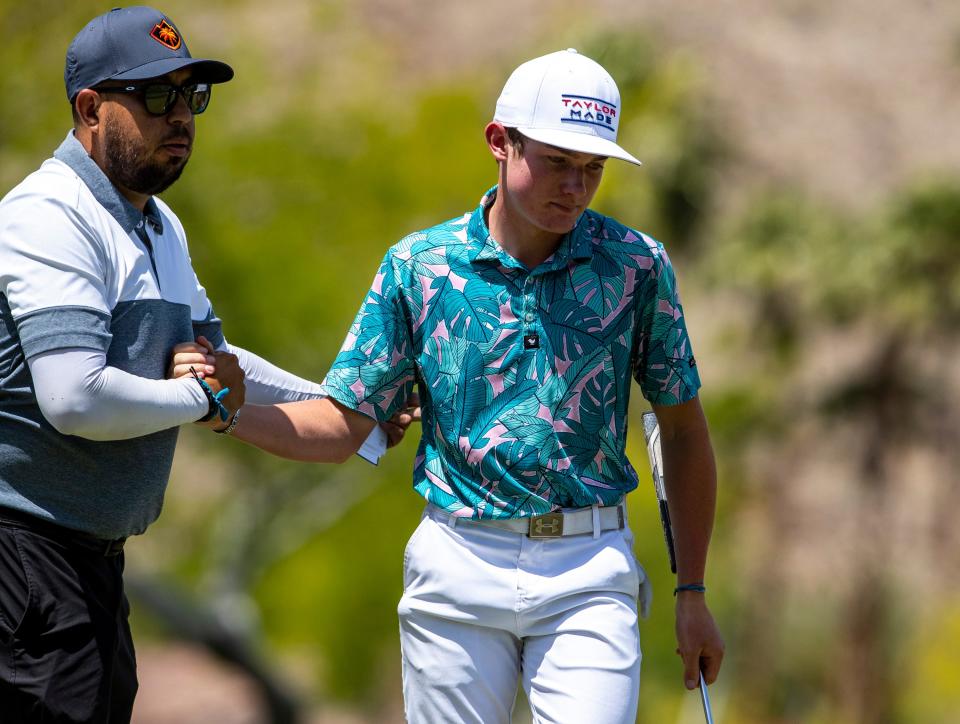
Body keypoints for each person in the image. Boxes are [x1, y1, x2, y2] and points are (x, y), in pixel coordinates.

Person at [187, 48, 725, 723]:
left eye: (593, 169)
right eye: (557, 162)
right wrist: (230, 412)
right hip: (457, 566)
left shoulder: (636, 267)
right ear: (500, 142)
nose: (576, 188)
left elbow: (682, 429)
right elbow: (343, 426)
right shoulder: (420, 267)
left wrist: (692, 591)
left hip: (589, 570)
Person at [0, 7, 414, 722]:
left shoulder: (158, 224)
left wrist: (347, 406)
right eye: (157, 96)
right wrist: (205, 402)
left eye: (193, 97)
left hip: (91, 565)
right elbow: (75, 400)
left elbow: (221, 364)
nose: (182, 116)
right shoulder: (49, 214)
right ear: (90, 108)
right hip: (19, 563)